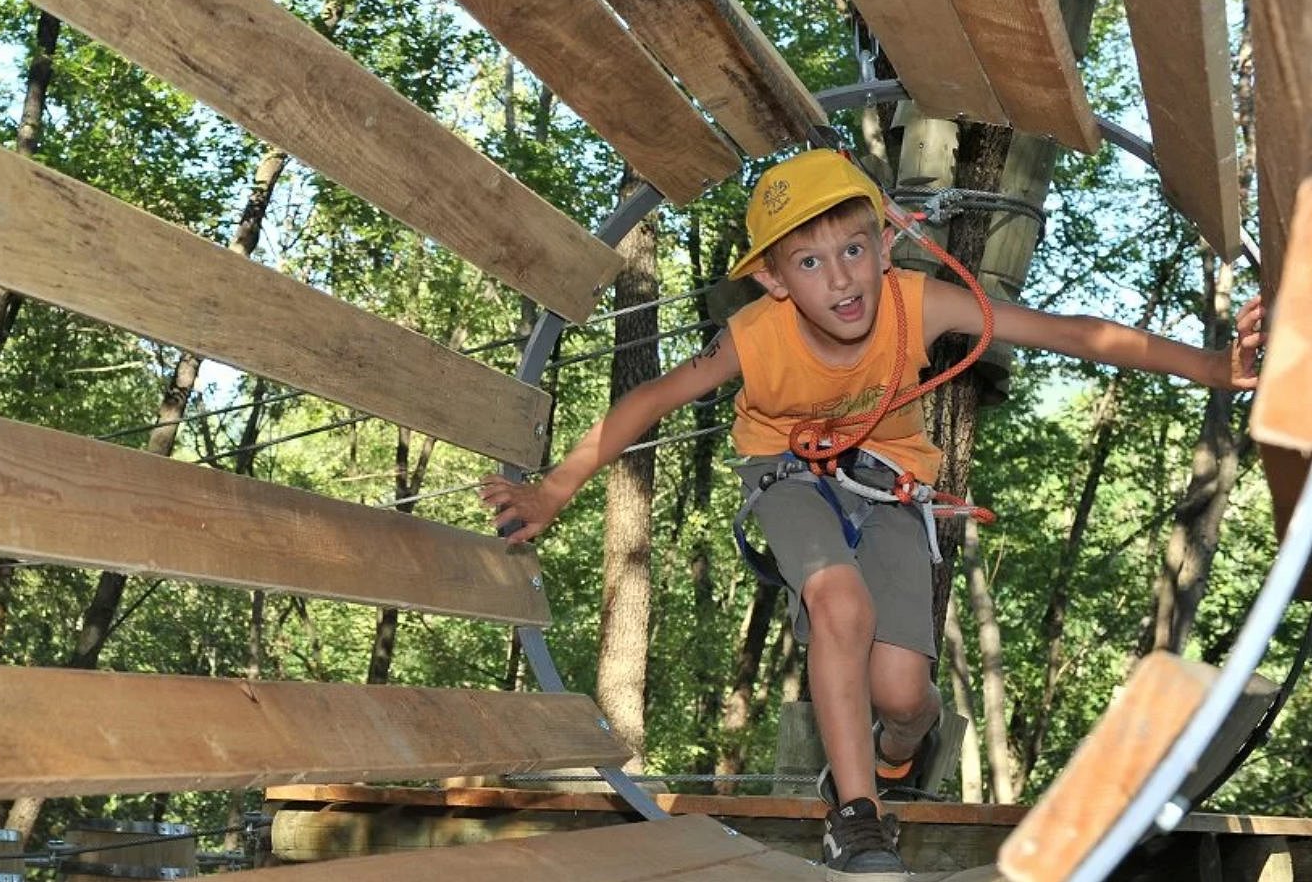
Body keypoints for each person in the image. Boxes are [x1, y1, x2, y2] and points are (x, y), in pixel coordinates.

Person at [480, 149, 1265, 880]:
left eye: (853, 249)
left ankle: (896, 753)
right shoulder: (755, 338)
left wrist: (1211, 367)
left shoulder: (916, 304)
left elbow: (1071, 333)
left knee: (903, 696)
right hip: (785, 475)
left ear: (883, 247)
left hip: (892, 485)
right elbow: (649, 397)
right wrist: (555, 489)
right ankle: (857, 816)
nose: (842, 279)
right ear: (779, 282)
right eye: (811, 262)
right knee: (837, 600)